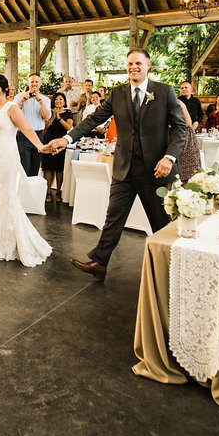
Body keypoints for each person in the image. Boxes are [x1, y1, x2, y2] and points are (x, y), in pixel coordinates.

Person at [44, 49, 185, 280]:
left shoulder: (164, 91)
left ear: (148, 66)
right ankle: (100, 262)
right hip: (124, 168)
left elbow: (180, 128)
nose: (133, 68)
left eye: (138, 63)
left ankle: (172, 268)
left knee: (161, 221)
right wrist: (67, 138)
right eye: (130, 64)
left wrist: (169, 158)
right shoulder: (118, 94)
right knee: (113, 217)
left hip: (156, 171)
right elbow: (92, 119)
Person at [0, 74, 51, 268]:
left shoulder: (11, 107)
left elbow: (27, 129)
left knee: (5, 198)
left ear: (6, 89)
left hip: (8, 158)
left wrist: (40, 146)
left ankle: (9, 242)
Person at [13, 73, 51, 176]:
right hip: (23, 136)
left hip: (38, 135)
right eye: (32, 82)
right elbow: (13, 113)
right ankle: (22, 191)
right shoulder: (19, 97)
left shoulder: (46, 99)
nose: (34, 84)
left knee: (35, 168)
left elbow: (47, 117)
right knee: (24, 168)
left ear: (40, 83)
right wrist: (22, 100)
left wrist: (41, 102)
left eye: (36, 82)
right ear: (28, 83)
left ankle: (32, 191)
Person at [41, 92, 73, 202]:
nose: (58, 101)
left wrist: (59, 118)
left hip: (61, 142)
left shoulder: (68, 113)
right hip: (48, 140)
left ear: (64, 101)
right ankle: (48, 192)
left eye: (61, 99)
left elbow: (69, 127)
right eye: (56, 99)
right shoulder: (49, 112)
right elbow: (44, 126)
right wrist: (53, 117)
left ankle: (59, 192)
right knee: (47, 168)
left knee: (59, 168)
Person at [176, 102, 201, 182]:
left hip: (185, 138)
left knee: (187, 174)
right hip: (172, 139)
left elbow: (188, 123)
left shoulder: (179, 103)